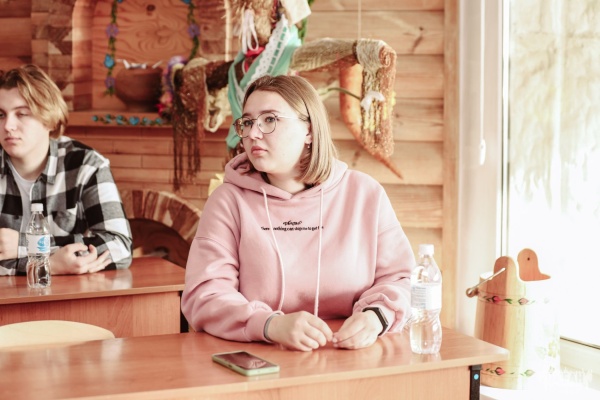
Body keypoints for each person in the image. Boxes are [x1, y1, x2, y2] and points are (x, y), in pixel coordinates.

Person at [182, 74, 414, 351]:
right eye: (248, 122)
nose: (253, 133)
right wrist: (269, 325)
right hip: (260, 356)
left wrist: (376, 317)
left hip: (349, 353)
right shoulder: (228, 201)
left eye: (270, 119)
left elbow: (401, 278)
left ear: (310, 131)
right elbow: (205, 294)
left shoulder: (365, 194)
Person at [0, 64, 132, 276]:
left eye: (22, 114)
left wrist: (26, 246)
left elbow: (119, 245)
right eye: (1, 115)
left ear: (49, 119)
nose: (8, 126)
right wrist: (49, 265)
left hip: (67, 295)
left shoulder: (87, 165)